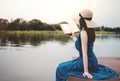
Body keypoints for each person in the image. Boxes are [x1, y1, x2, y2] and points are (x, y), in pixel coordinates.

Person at [56, 9, 118, 81]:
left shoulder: (83, 32)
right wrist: (72, 36)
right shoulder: (90, 31)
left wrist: (86, 71)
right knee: (62, 66)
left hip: (86, 62)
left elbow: (85, 53)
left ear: (81, 20)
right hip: (90, 60)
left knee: (60, 68)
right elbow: (81, 45)